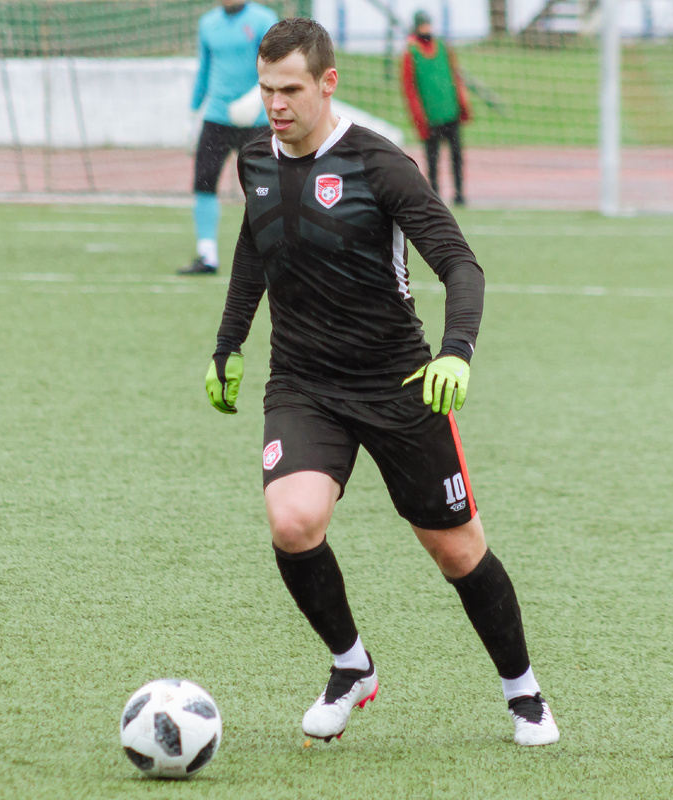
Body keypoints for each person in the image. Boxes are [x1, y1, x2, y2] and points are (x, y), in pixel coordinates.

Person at [203, 17, 559, 747]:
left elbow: (460, 264)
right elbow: (254, 247)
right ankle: (351, 666)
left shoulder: (380, 163)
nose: (276, 104)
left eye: (291, 89)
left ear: (328, 83)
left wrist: (456, 352)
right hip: (303, 383)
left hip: (399, 383)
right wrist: (228, 343)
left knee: (457, 551)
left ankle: (523, 692)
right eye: (267, 89)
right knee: (292, 522)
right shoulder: (255, 158)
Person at [178, 0, 279, 275]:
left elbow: (274, 65)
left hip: (255, 120)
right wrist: (192, 113)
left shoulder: (263, 19)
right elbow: (204, 69)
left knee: (265, 187)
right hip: (217, 117)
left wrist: (257, 98)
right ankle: (207, 255)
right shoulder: (208, 23)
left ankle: (272, 252)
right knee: (204, 180)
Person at [401, 10, 471, 206]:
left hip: (450, 112)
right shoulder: (411, 52)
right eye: (423, 25)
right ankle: (435, 196)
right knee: (432, 159)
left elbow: (454, 75)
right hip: (429, 116)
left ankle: (459, 193)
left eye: (428, 24)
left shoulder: (442, 46)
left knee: (457, 155)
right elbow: (409, 88)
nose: (426, 29)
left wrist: (462, 103)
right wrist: (418, 116)